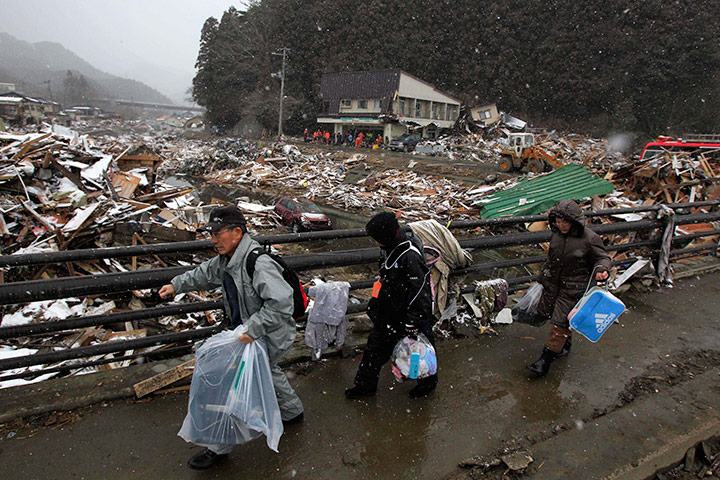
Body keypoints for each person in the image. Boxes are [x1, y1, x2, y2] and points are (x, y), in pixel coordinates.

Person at [159, 205, 304, 469]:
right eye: (211, 234)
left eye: (218, 233)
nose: (213, 240)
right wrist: (176, 285)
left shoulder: (257, 262)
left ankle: (219, 446)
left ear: (237, 232)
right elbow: (204, 274)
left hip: (268, 333)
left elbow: (281, 302)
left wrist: (252, 329)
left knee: (232, 383)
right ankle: (293, 412)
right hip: (250, 332)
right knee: (267, 372)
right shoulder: (228, 259)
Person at [345, 212, 438, 400]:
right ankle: (365, 386)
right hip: (389, 314)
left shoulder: (409, 255)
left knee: (421, 351)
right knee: (373, 351)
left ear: (386, 236)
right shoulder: (390, 249)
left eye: (377, 239)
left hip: (410, 315)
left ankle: (427, 383)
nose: (376, 243)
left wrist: (413, 322)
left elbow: (420, 291)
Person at [528, 199, 611, 376]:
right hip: (554, 284)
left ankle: (545, 361)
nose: (561, 225)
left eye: (565, 221)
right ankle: (565, 345)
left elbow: (602, 258)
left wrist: (602, 269)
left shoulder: (589, 238)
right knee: (556, 316)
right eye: (558, 221)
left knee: (559, 323)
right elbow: (552, 258)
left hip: (574, 288)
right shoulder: (556, 234)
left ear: (574, 221)